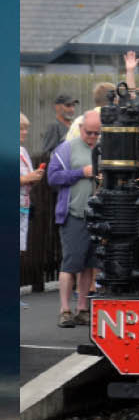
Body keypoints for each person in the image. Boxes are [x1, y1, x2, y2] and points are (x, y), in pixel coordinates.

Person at [47, 110, 101, 328]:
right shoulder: (66, 149)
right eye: (89, 133)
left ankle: (82, 309)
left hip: (96, 216)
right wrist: (81, 172)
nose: (92, 137)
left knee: (89, 265)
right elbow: (53, 178)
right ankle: (65, 310)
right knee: (70, 264)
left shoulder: (102, 150)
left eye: (97, 134)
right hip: (73, 215)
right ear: (80, 129)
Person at [21, 114, 44, 307]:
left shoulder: (23, 151)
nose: (25, 133)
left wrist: (34, 177)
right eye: (20, 129)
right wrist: (26, 179)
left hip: (23, 204)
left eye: (26, 129)